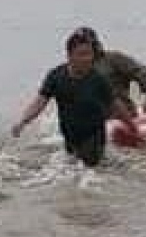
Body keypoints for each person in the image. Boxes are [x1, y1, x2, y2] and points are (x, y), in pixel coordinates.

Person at [11, 31, 138, 167]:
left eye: (89, 54)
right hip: (70, 136)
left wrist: (131, 126)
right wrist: (22, 122)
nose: (87, 58)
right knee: (72, 169)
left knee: (87, 168)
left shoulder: (98, 79)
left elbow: (115, 105)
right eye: (82, 54)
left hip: (94, 136)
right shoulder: (56, 77)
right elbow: (39, 103)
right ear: (69, 56)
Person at [75, 26, 146, 118]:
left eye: (86, 44)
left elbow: (141, 72)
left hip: (121, 116)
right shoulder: (75, 68)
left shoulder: (113, 59)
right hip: (91, 119)